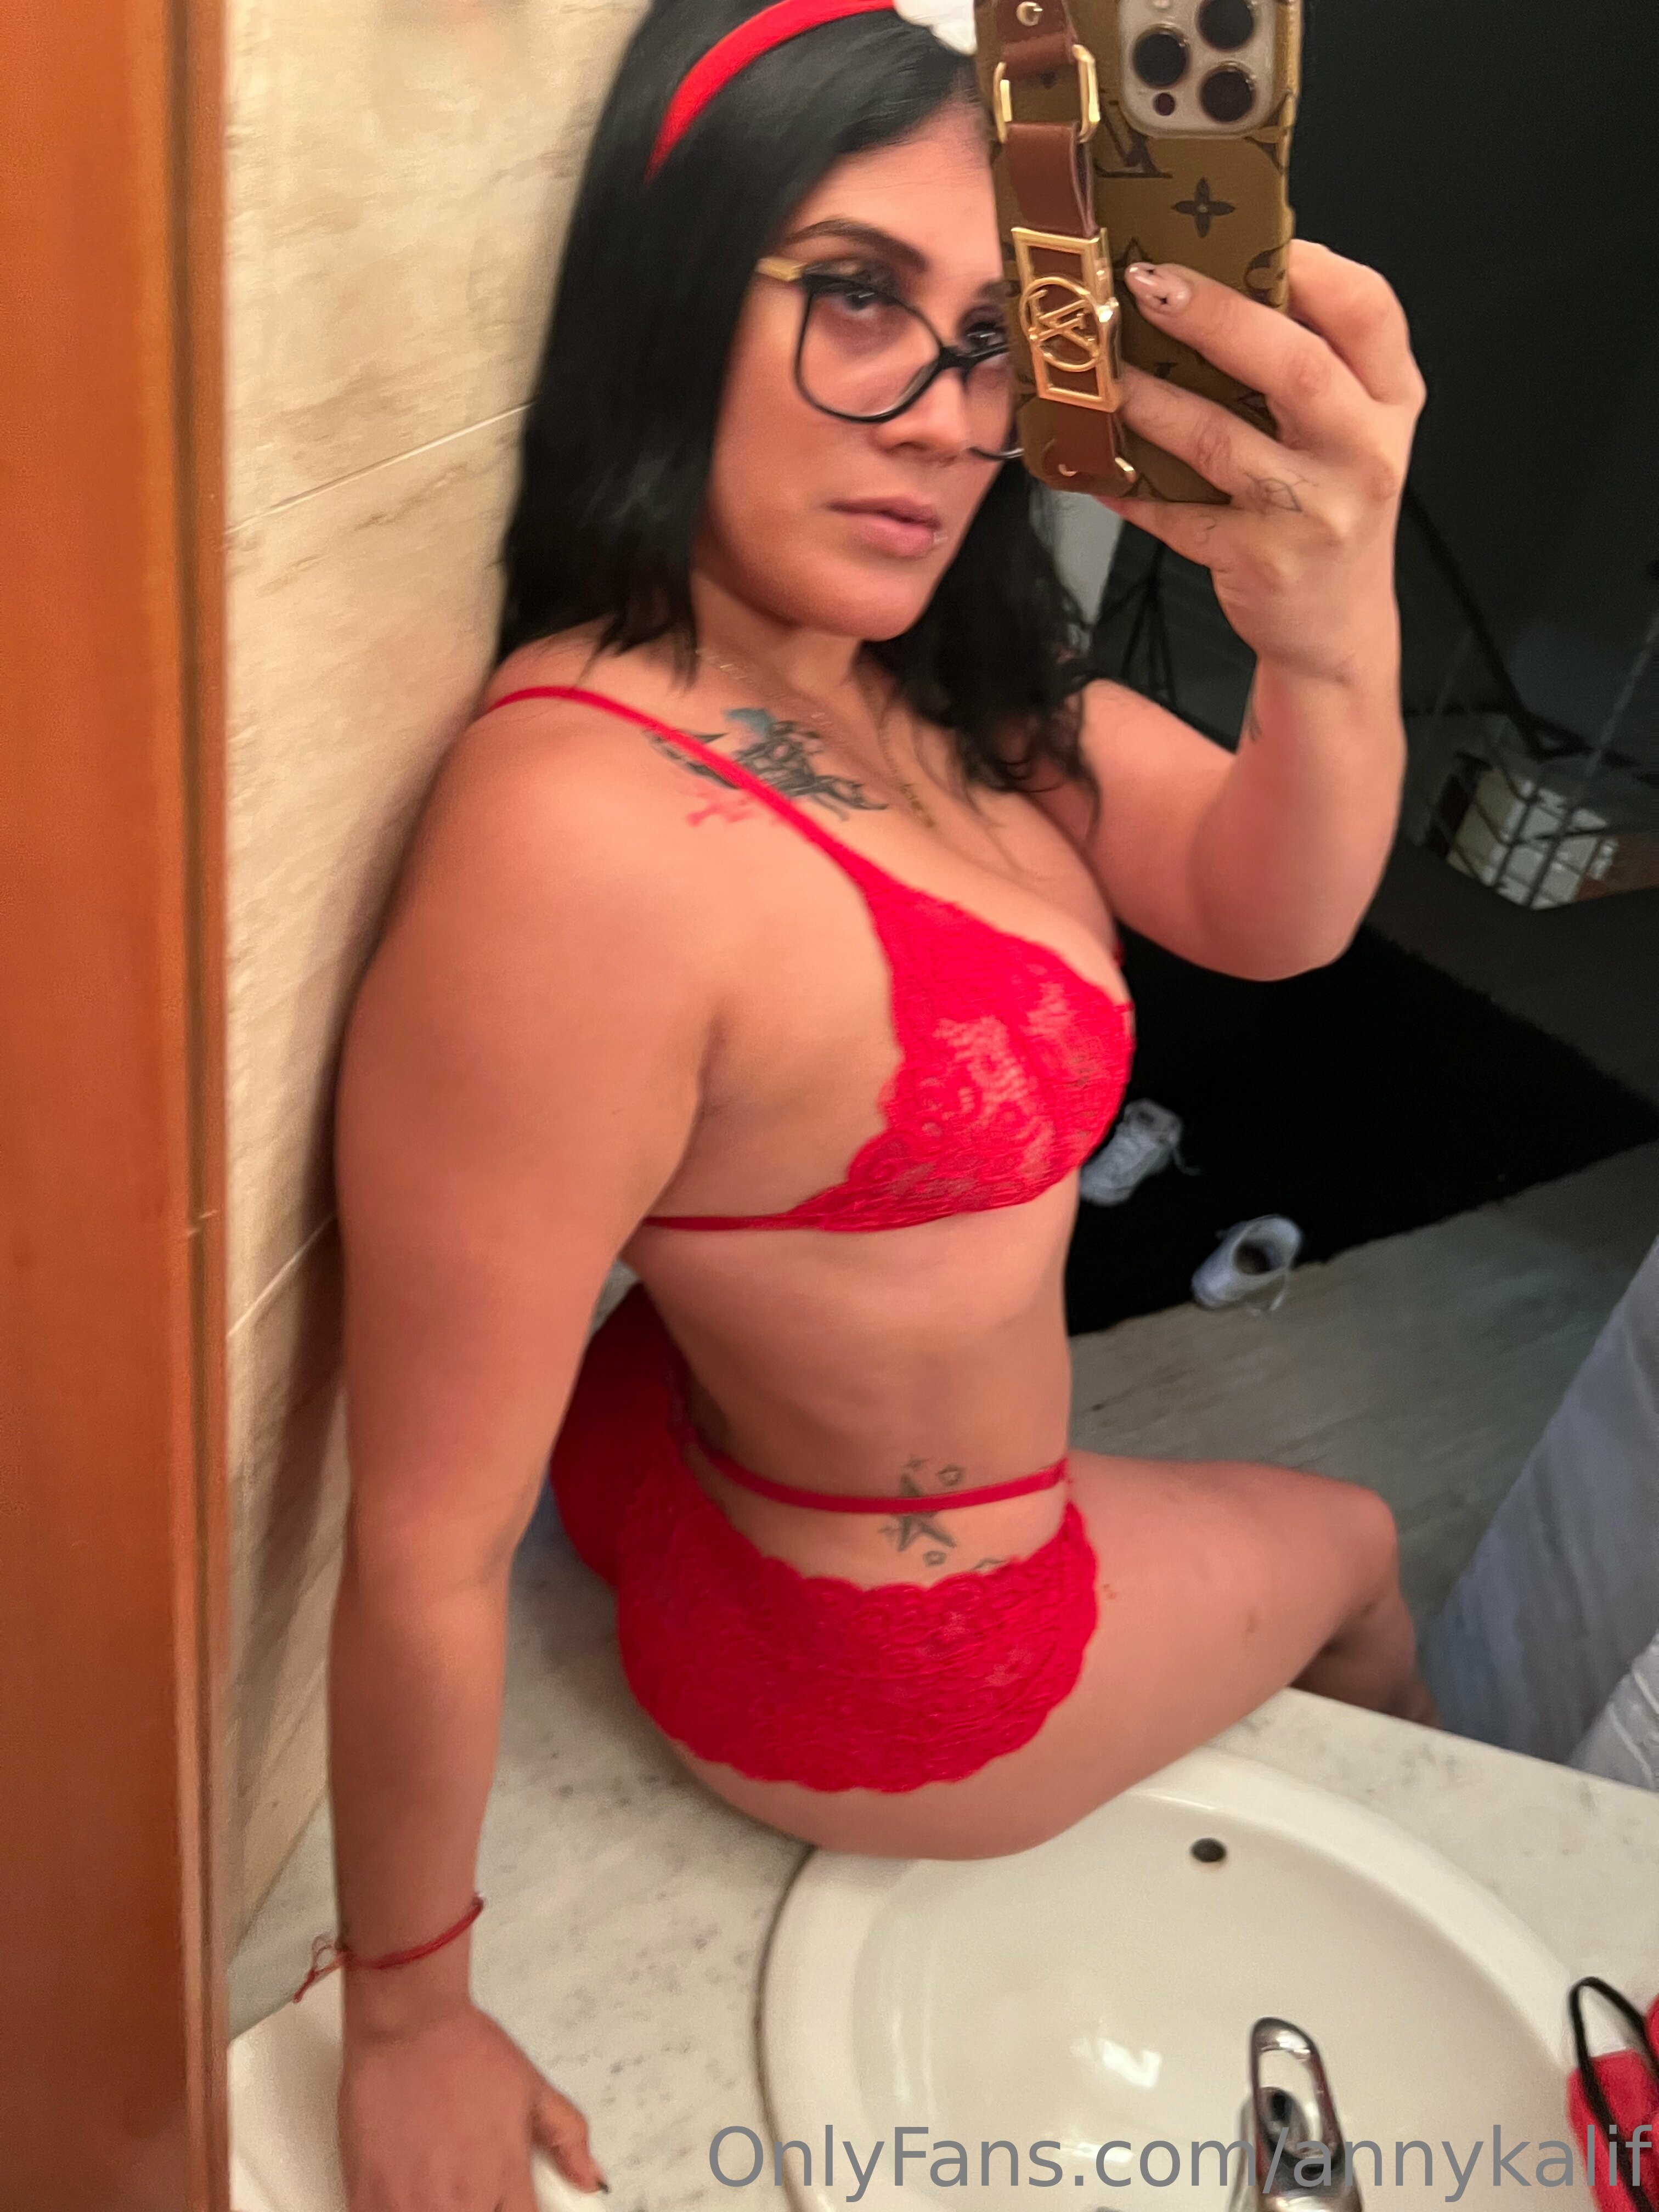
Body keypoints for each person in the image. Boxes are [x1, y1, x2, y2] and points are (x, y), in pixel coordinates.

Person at [325, 0, 1431, 2199]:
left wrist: (1332, 629)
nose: (943, 415)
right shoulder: (590, 838)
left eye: (995, 341)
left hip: (688, 1464)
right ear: (669, 299)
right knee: (1363, 1548)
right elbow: (423, 1535)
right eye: (854, 297)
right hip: (888, 1659)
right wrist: (408, 2018)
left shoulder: (937, 691)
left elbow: (1271, 904)